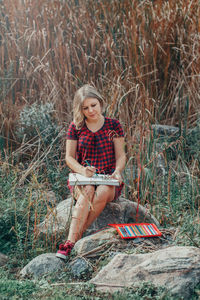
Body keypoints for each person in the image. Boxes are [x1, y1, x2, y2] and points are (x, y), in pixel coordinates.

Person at [56, 84, 126, 260]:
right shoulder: (76, 127)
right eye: (85, 108)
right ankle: (71, 243)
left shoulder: (113, 125)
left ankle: (72, 240)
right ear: (80, 109)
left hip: (108, 177)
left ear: (100, 102)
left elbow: (121, 156)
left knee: (101, 190)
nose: (91, 110)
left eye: (93, 105)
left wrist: (118, 171)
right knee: (87, 192)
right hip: (83, 177)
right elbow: (69, 158)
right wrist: (82, 170)